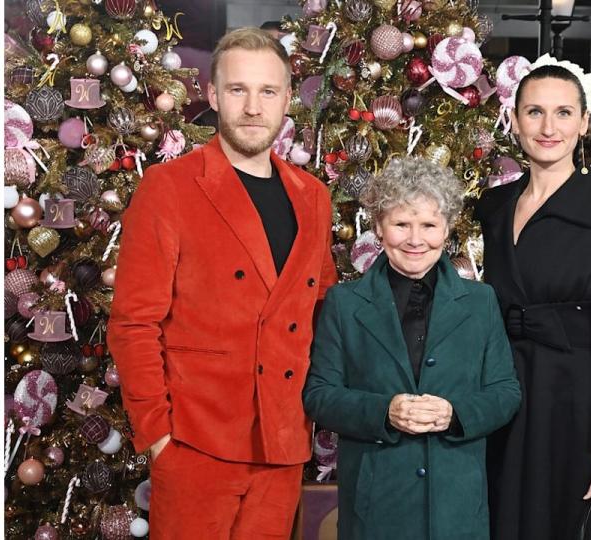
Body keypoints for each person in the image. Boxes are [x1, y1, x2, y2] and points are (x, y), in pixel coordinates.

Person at [108, 27, 338, 540]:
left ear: (285, 101)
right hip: (196, 439)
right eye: (238, 90)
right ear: (212, 95)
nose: (253, 107)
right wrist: (159, 435)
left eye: (268, 92)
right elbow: (134, 322)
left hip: (282, 439)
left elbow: (322, 309)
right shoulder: (169, 188)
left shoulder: (313, 196)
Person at [475, 55, 591, 539]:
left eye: (562, 113)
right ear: (514, 121)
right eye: (534, 112)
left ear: (583, 123)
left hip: (577, 405)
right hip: (506, 401)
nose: (547, 127)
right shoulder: (493, 207)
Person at [303, 157, 521, 540]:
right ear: (378, 228)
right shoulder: (345, 302)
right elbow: (320, 396)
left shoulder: (480, 301)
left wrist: (456, 414)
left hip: (458, 507)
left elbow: (505, 392)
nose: (415, 239)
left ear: (447, 229)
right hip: (376, 507)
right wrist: (384, 411)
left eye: (429, 225)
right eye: (401, 224)